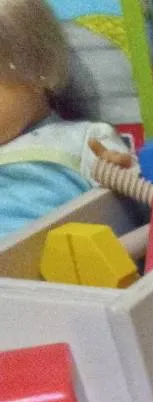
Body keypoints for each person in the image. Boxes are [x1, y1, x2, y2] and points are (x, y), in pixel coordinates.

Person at [0, 0, 136, 240]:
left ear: (36, 70)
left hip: (60, 254)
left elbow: (145, 202)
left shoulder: (84, 139)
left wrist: (122, 173)